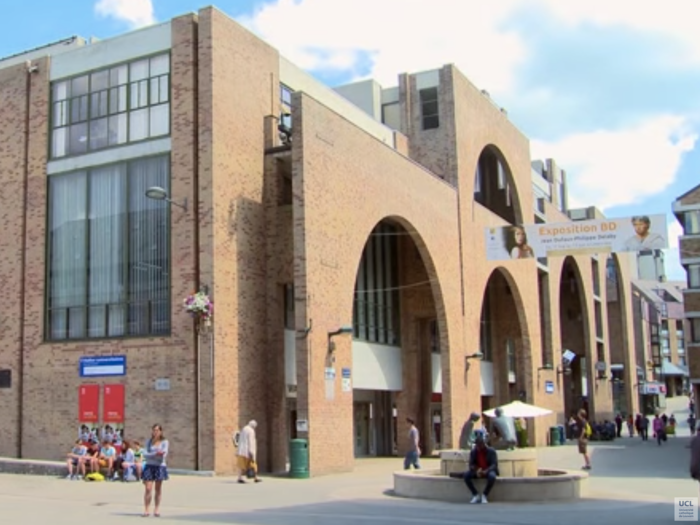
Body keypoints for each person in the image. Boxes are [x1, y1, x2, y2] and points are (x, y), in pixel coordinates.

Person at [142, 424, 169, 518]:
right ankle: (146, 509)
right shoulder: (148, 442)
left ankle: (156, 509)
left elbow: (164, 454)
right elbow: (145, 454)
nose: (155, 432)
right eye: (154, 430)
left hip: (159, 466)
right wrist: (155, 454)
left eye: (157, 430)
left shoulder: (164, 442)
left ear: (161, 431)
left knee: (158, 489)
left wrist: (155, 454)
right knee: (148, 488)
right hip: (149, 466)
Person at [463, 434, 499, 504]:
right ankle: (475, 494)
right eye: (477, 446)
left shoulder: (491, 451)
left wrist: (486, 471)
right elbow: (471, 464)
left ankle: (484, 495)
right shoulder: (474, 452)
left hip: (488, 470)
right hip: (478, 471)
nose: (478, 447)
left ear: (483, 444)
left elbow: (494, 464)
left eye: (480, 445)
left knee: (492, 477)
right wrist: (476, 470)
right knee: (466, 475)